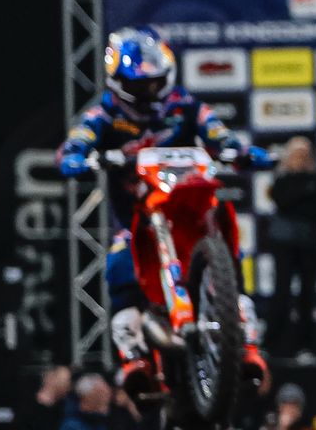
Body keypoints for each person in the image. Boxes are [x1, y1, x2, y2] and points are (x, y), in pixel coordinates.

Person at [56, 26, 271, 397]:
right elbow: (75, 145)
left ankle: (248, 345)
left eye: (155, 82)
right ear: (119, 82)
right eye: (140, 84)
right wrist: (78, 158)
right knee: (120, 264)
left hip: (189, 210)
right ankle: (134, 357)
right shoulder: (104, 114)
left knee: (231, 250)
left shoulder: (186, 106)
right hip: (138, 217)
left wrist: (239, 152)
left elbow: (218, 134)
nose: (150, 91)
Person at [266, 136, 316, 358]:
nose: (301, 160)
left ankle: (306, 344)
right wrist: (305, 190)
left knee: (308, 294)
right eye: (297, 155)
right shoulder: (282, 179)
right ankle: (273, 343)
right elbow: (282, 201)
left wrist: (301, 196)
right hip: (283, 244)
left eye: (305, 155)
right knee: (282, 292)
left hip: (309, 243)